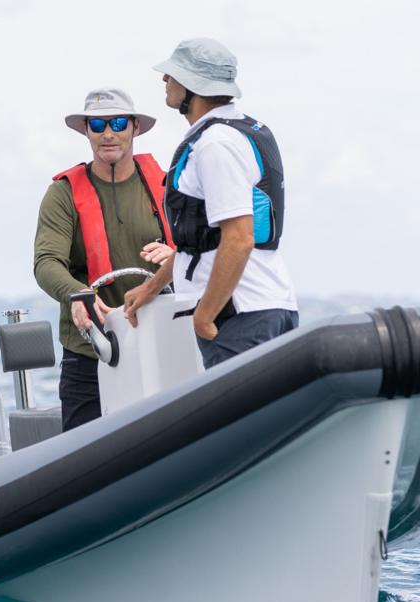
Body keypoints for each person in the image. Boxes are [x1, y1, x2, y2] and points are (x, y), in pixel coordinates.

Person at [124, 38, 298, 368]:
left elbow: (239, 238)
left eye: (172, 74)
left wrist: (204, 315)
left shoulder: (215, 144)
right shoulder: (241, 131)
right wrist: (152, 287)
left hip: (240, 316)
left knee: (246, 421)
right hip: (262, 309)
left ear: (193, 87)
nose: (165, 80)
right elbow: (204, 238)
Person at [34, 88, 174, 430]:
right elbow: (46, 261)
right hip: (90, 348)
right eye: (97, 124)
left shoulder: (168, 183)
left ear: (135, 128)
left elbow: (199, 247)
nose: (108, 133)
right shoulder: (62, 193)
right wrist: (76, 295)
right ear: (86, 131)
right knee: (82, 453)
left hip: (159, 338)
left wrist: (176, 255)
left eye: (118, 123)